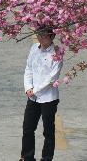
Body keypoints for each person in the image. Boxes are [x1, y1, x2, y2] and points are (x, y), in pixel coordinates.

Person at [21, 27, 62, 161]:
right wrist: (28, 87)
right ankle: (27, 157)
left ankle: (46, 158)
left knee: (48, 131)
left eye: (43, 35)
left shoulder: (57, 53)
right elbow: (28, 69)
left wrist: (35, 90)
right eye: (38, 34)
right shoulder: (34, 48)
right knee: (28, 128)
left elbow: (52, 78)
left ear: (51, 37)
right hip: (32, 97)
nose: (40, 37)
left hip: (49, 98)